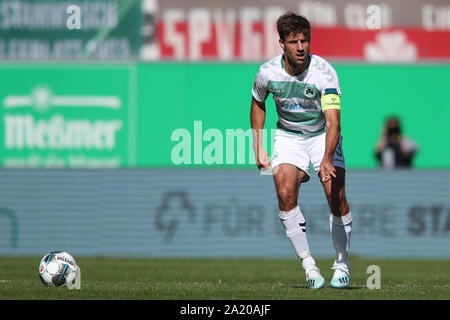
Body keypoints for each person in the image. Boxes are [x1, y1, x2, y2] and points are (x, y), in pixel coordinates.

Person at [250, 12, 352, 289]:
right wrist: (258, 146)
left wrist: (327, 158)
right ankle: (309, 266)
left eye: (305, 40)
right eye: (294, 41)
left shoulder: (324, 73)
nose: (301, 47)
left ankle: (341, 262)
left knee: (336, 196)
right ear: (281, 43)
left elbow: (334, 122)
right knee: (284, 192)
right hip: (288, 136)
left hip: (322, 136)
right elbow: (258, 103)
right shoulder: (267, 73)